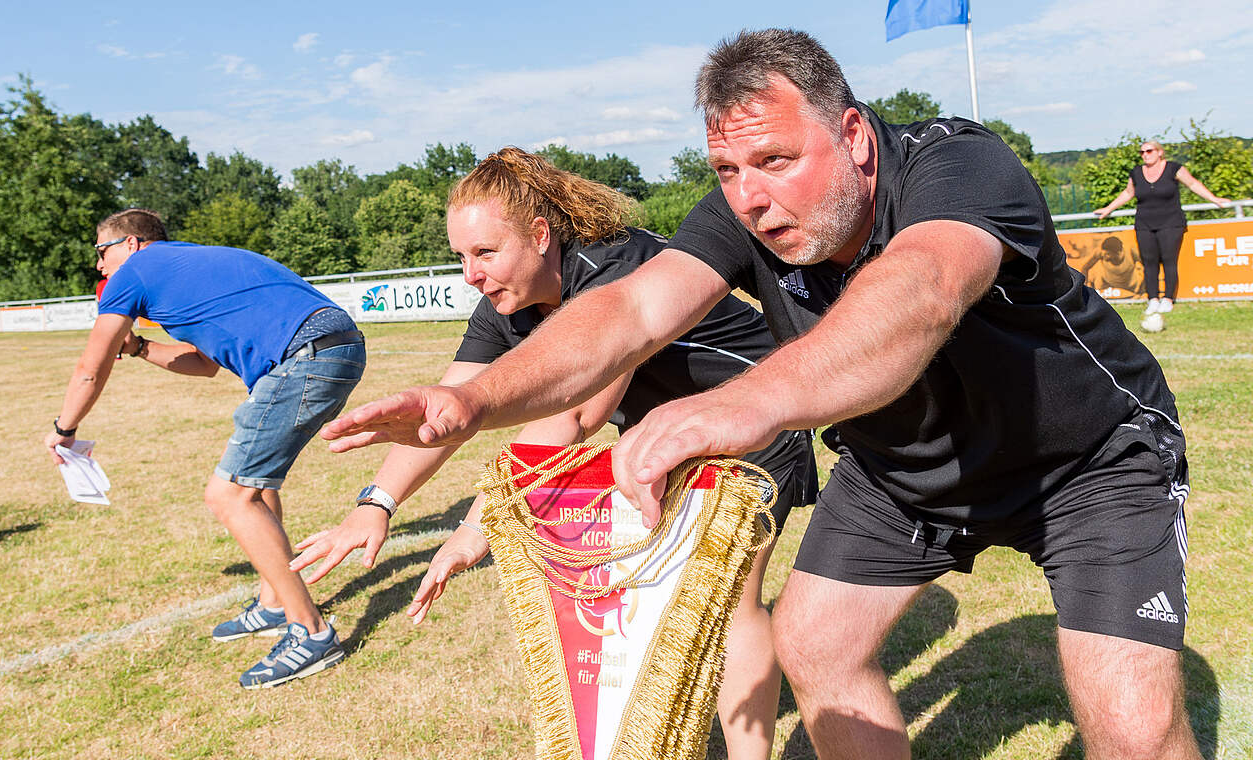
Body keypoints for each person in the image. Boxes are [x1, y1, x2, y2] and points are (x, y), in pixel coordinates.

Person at [325, 29, 1199, 760]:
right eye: (729, 168)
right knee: (815, 644)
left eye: (776, 159)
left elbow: (921, 291)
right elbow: (631, 308)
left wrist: (740, 404)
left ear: (854, 134)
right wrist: (474, 401)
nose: (750, 197)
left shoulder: (958, 165)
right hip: (903, 470)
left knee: (1131, 723)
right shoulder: (736, 208)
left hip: (1084, 463)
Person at [296, 147, 816, 760]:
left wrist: (479, 524)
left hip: (747, 421)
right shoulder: (505, 303)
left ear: (540, 235)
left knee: (728, 599)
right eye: (461, 257)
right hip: (661, 438)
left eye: (485, 253)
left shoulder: (614, 267)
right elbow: (448, 409)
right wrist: (375, 503)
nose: (470, 275)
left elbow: (575, 415)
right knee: (660, 601)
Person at [41, 208, 365, 689]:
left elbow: (90, 366)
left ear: (130, 244)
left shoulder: (133, 273)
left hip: (305, 357)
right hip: (334, 345)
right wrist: (138, 348)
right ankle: (275, 602)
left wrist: (64, 428)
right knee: (254, 484)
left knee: (228, 494)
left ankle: (311, 633)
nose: (99, 266)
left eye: (100, 252)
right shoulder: (187, 268)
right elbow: (204, 364)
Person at [1094, 139, 1231, 314]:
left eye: (1149, 151)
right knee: (1149, 262)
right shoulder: (1136, 172)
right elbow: (1128, 193)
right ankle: (1152, 299)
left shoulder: (1174, 168)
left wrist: (1215, 199)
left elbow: (1193, 184)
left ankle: (1168, 299)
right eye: (1142, 152)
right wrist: (1108, 209)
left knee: (1168, 260)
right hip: (1144, 223)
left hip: (1171, 222)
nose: (1145, 155)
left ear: (1160, 152)